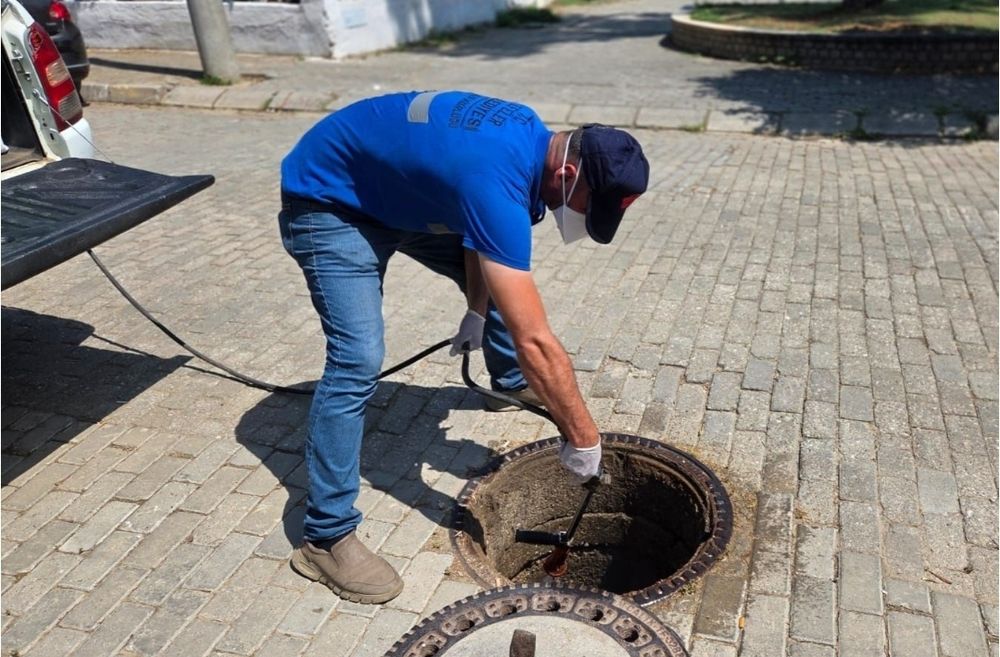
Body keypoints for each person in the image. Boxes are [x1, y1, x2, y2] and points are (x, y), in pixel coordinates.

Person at [279, 91, 649, 603]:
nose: (586, 217)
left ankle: (509, 382)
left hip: (399, 194)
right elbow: (535, 339)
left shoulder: (528, 145)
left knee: (503, 289)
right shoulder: (494, 177)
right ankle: (325, 538)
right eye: (592, 205)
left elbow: (478, 236)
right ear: (567, 174)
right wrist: (583, 437)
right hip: (332, 200)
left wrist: (476, 310)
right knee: (356, 359)